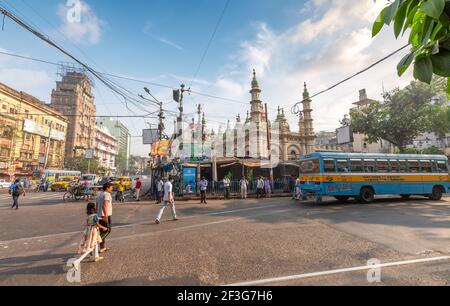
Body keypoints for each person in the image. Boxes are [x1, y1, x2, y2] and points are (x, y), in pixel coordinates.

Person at [96, 183, 114, 253]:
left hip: (99, 215)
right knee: (107, 230)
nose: (112, 189)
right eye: (111, 187)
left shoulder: (100, 194)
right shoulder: (107, 194)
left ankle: (102, 247)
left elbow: (97, 205)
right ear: (107, 188)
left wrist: (96, 214)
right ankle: (96, 242)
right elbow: (105, 205)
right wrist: (106, 215)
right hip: (105, 215)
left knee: (102, 231)